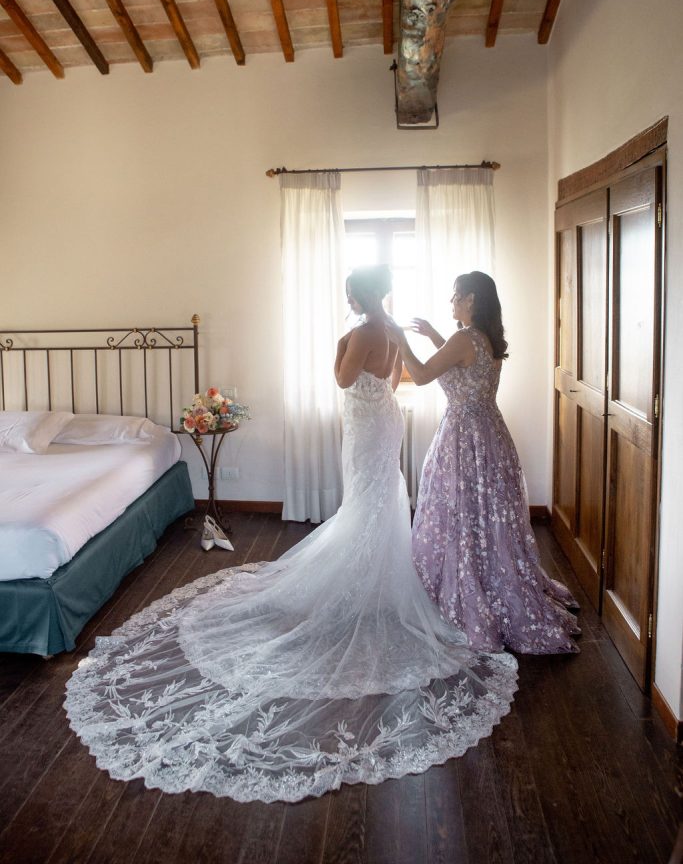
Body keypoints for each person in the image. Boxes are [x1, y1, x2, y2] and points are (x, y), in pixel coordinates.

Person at [64, 265, 518, 804]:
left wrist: (340, 345)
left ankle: (357, 576)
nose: (345, 295)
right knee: (381, 497)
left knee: (366, 501)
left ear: (358, 294)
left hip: (367, 424)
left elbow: (344, 380)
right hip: (385, 420)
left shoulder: (365, 332)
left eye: (348, 290)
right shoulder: (392, 329)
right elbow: (394, 380)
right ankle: (382, 573)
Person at [386, 270, 580, 655]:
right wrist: (433, 336)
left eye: (456, 295)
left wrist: (402, 341)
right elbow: (464, 365)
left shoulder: (463, 338)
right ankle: (494, 575)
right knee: (487, 514)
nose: (451, 302)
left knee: (463, 512)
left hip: (463, 437)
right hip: (490, 435)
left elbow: (423, 375)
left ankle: (471, 583)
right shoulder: (485, 337)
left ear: (471, 299)